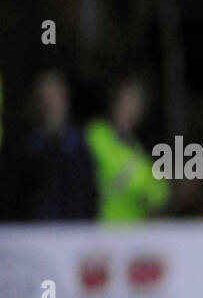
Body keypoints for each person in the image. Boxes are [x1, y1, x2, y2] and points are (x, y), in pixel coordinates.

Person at [0, 69, 97, 222]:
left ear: (65, 98)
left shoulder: (81, 144)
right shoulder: (21, 147)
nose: (49, 104)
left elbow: (89, 196)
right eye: (44, 98)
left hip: (75, 235)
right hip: (32, 236)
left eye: (54, 97)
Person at [84, 74, 167, 222]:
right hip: (102, 227)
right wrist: (141, 184)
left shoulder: (138, 148)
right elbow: (111, 169)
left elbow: (159, 194)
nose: (129, 109)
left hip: (133, 232)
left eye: (135, 104)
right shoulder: (96, 133)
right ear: (114, 101)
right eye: (126, 101)